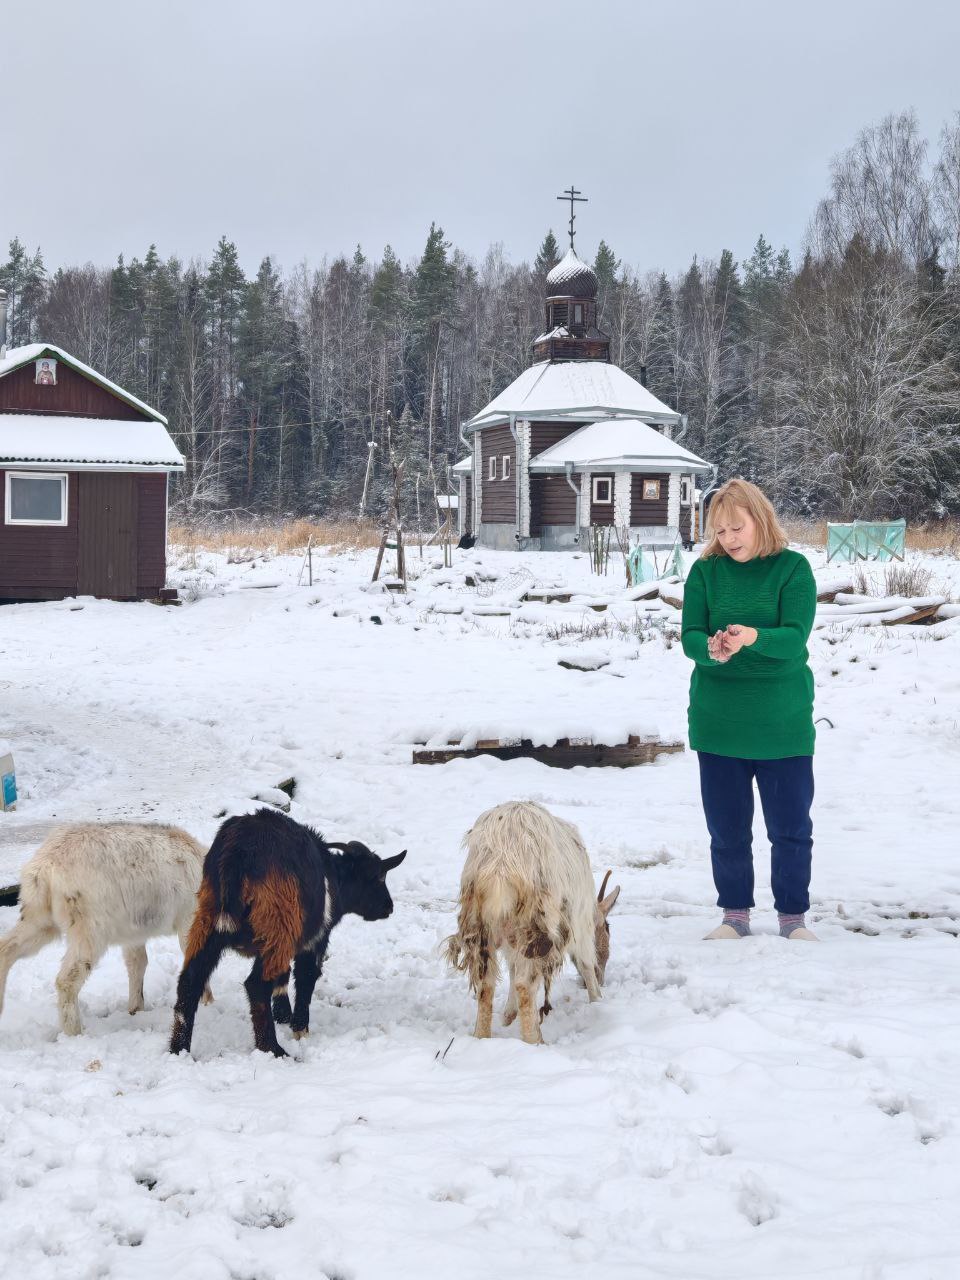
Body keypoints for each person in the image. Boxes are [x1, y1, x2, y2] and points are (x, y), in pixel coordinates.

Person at [681, 478, 819, 941]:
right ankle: (734, 916)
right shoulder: (705, 573)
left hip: (782, 725)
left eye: (737, 528)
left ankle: (792, 919)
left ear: (760, 521)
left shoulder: (792, 569)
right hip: (718, 724)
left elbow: (794, 639)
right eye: (720, 531)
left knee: (791, 831)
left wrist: (752, 636)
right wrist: (713, 649)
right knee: (727, 832)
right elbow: (691, 636)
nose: (729, 539)